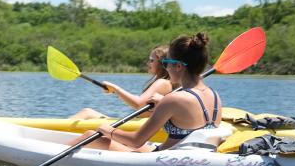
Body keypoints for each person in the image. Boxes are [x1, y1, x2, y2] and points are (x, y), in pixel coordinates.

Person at [83, 32, 221, 152]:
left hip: (163, 157)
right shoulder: (215, 95)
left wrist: (107, 130)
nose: (165, 68)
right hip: (191, 156)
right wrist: (162, 104)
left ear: (178, 66)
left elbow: (136, 141)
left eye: (166, 63)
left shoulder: (173, 99)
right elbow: (189, 118)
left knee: (90, 135)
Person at [68, 45, 172, 120]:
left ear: (162, 63)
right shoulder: (166, 82)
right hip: (138, 124)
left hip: (139, 127)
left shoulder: (162, 82)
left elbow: (138, 104)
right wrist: (116, 91)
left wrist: (116, 89)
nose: (147, 63)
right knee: (87, 112)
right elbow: (140, 103)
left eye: (151, 60)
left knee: (86, 113)